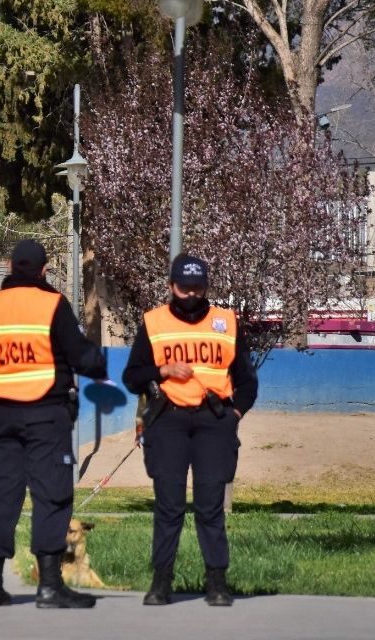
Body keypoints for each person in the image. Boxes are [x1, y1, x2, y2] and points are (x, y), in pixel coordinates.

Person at [0, 239, 108, 609]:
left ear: (10, 266)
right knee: (51, 494)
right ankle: (50, 586)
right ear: (43, 270)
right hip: (46, 415)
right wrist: (96, 361)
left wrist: (0, 384)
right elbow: (80, 356)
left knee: (1, 495)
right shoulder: (51, 304)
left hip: (0, 417)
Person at [121, 254, 258, 607]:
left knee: (210, 507)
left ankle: (217, 583)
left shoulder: (226, 322)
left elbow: (246, 380)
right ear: (171, 286)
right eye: (184, 287)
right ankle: (161, 583)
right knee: (169, 507)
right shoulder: (154, 322)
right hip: (169, 421)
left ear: (206, 287)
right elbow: (132, 377)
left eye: (198, 287)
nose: (191, 294)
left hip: (214, 422)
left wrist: (234, 415)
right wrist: (163, 371)